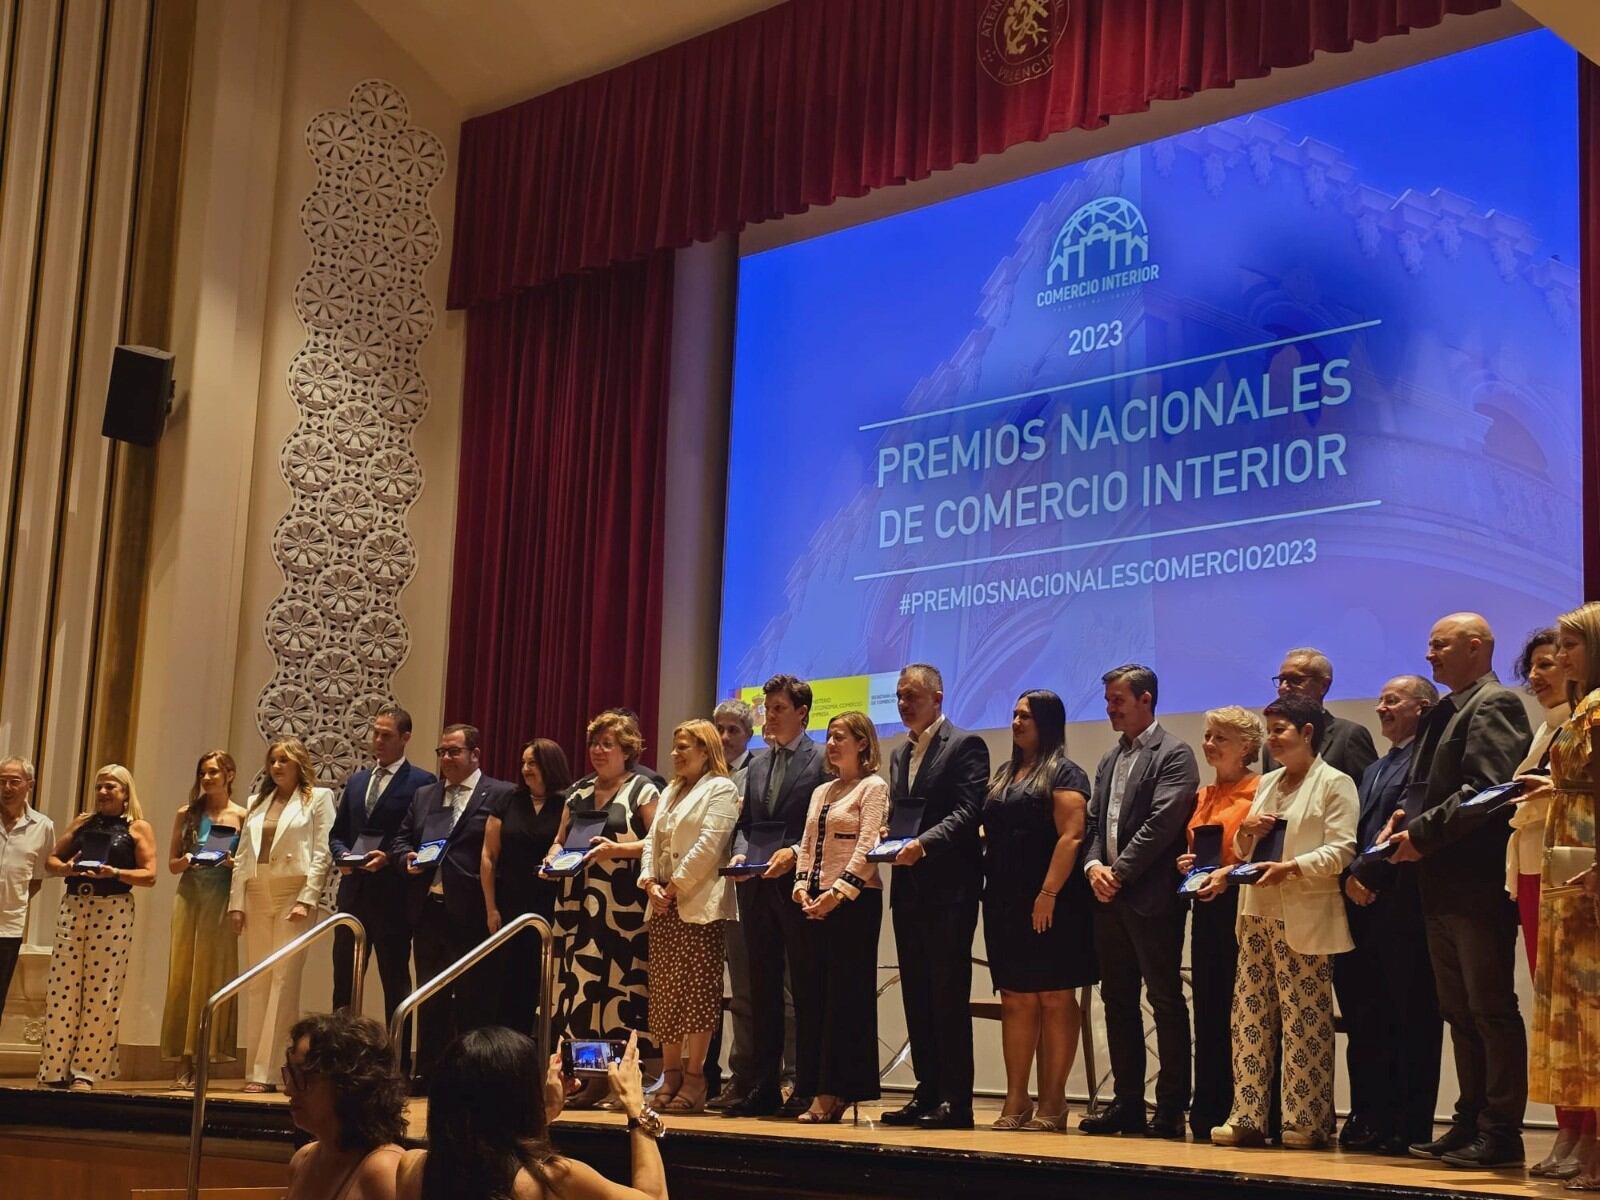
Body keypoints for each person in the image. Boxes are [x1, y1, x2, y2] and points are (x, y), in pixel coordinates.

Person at [1385, 612, 1533, 1167]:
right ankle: (1469, 1121)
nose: (1430, 655)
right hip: (1440, 884)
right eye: (1429, 645)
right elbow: (1437, 788)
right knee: (1460, 1010)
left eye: (1440, 645)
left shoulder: (1495, 703)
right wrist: (1406, 816)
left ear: (1476, 647)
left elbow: (1487, 791)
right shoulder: (1449, 708)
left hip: (1474, 883)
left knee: (1491, 1009)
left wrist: (1420, 834)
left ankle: (1501, 1133)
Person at [1207, 694, 1357, 1149]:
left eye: (1280, 730)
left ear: (1307, 733)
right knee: (1249, 1017)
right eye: (1268, 730)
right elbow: (1252, 850)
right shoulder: (1269, 782)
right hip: (1256, 913)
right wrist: (1248, 837)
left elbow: (1342, 849)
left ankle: (1305, 1121)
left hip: (1304, 914)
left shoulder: (1335, 782)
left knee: (1304, 1021)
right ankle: (1248, 1115)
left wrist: (1292, 867)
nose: (1271, 739)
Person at [1079, 664, 1199, 1139]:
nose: (1110, 709)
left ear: (1145, 700)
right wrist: (1093, 868)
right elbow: (1093, 825)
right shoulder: (1110, 759)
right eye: (1108, 701)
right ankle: (1127, 1102)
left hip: (1150, 898)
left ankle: (1170, 1108)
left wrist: (1119, 873)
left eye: (1118, 701)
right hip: (1108, 898)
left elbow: (1163, 823)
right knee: (1117, 1001)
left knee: (1165, 1000)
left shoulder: (1175, 754)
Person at [1333, 675, 1443, 1156]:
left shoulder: (1427, 760)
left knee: (1410, 1016)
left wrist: (1366, 876)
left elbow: (1402, 823)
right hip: (1360, 907)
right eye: (1378, 699)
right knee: (1366, 1018)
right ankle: (1370, 1115)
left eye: (1392, 700)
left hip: (1402, 905)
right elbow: (1359, 832)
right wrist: (1348, 878)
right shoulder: (1376, 766)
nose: (1380, 708)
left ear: (1423, 708)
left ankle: (1410, 1123)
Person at [880, 663, 989, 1131]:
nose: (904, 704)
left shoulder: (966, 745)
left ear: (938, 698)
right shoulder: (900, 755)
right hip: (908, 892)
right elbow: (904, 815)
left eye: (912, 696)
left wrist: (922, 844)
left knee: (947, 994)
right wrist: (891, 834)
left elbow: (969, 811)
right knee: (918, 997)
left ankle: (956, 1100)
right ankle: (926, 1093)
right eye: (900, 696)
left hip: (950, 890)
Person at [982, 690, 1096, 1133]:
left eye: (1025, 715)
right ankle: (1017, 1097)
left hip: (1053, 901)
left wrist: (1047, 893)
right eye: (1013, 713)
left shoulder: (1066, 771)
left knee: (1054, 997)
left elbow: (1071, 835)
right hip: (1005, 900)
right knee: (1015, 997)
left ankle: (1054, 1101)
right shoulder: (1005, 773)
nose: (1015, 721)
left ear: (1047, 722)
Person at [1507, 629, 1594, 1176]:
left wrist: (1554, 792)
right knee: (1562, 1008)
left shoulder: (1589, 713)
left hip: (1580, 858)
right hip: (1551, 860)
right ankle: (1573, 1129)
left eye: (1563, 651)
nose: (1549, 667)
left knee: (1587, 1006)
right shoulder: (1555, 723)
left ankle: (1591, 1135)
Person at [396, 1027, 668, 1200]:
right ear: (521, 1096)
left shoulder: (411, 1167)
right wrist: (636, 1106)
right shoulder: (556, 1177)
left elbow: (492, 1149)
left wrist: (547, 1111)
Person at [548, 710, 659, 1106]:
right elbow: (560, 840)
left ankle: (620, 1081)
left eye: (607, 744)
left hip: (621, 909)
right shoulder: (577, 791)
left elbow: (658, 844)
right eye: (594, 743)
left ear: (626, 750)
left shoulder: (643, 790)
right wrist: (552, 858)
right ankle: (586, 1078)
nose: (598, 750)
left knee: (618, 993)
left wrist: (617, 850)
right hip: (576, 906)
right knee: (579, 992)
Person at [393, 723, 515, 1084]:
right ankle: (430, 1074)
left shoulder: (500, 793)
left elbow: (505, 852)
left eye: (454, 751)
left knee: (475, 998)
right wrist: (406, 857)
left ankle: (473, 1076)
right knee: (430, 996)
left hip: (474, 911)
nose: (446, 758)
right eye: (442, 752)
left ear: (475, 755)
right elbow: (401, 838)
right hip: (429, 909)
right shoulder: (425, 795)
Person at [724, 674, 824, 1117]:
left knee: (803, 987)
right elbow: (746, 827)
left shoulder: (821, 759)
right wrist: (744, 856)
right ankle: (763, 1085)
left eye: (779, 708)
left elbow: (819, 827)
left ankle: (805, 1084)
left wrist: (791, 856)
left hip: (801, 886)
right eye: (767, 708)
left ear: (801, 712)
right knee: (760, 988)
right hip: (759, 887)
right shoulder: (756, 765)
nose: (770, 716)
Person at [789, 711, 887, 1123]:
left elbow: (867, 847)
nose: (830, 744)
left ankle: (835, 1091)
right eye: (828, 737)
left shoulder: (873, 787)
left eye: (840, 737)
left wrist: (837, 894)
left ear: (862, 743)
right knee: (812, 999)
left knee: (844, 1001)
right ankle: (812, 1086)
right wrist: (800, 884)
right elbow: (808, 843)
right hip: (813, 903)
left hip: (854, 904)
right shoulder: (822, 791)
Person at [640, 719, 739, 1113]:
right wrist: (650, 882)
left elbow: (709, 844)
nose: (675, 754)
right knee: (665, 994)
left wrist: (674, 886)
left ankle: (696, 1078)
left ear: (705, 750)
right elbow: (652, 842)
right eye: (675, 747)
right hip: (662, 902)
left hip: (697, 903)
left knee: (696, 993)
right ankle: (671, 1074)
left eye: (684, 747)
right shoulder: (670, 790)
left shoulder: (722, 789)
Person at [37, 764, 157, 1089]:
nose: (103, 793)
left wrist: (115, 873)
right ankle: (54, 1069)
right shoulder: (83, 822)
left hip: (113, 909)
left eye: (111, 788)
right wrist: (68, 868)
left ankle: (85, 1071)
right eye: (100, 787)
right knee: (63, 988)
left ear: (125, 793)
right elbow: (51, 860)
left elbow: (150, 875)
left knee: (101, 991)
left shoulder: (137, 828)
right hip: (75, 903)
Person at [229, 738, 338, 1092]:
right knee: (258, 982)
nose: (276, 767)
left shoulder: (317, 799)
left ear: (299, 764)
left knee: (283, 981)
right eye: (273, 761)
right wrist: (236, 903)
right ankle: (254, 1070)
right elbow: (244, 855)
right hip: (258, 891)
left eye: (284, 761)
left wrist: (308, 897)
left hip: (293, 892)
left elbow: (322, 853)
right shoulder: (256, 802)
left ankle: (272, 1071)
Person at [1177, 706, 1264, 1141]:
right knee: (1209, 1008)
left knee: (1243, 1010)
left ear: (1247, 746)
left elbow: (1258, 853)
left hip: (1241, 906)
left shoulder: (1260, 790)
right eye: (1207, 735)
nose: (1208, 744)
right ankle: (1208, 1105)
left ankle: (1244, 1105)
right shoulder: (1204, 795)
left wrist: (1224, 872)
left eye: (1219, 738)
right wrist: (1188, 864)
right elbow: (1199, 849)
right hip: (1206, 909)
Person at [330, 706, 436, 1026]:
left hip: (394, 898)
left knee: (395, 984)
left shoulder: (421, 782)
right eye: (375, 733)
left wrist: (388, 858)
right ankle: (339, 1059)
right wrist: (342, 856)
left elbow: (420, 838)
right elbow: (337, 833)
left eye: (386, 735)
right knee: (344, 985)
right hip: (353, 895)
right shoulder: (358, 781)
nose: (377, 740)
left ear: (405, 738)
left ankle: (398, 1063)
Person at [161, 750, 248, 1087]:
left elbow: (246, 862)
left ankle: (207, 1055)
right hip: (191, 892)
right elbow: (171, 864)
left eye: (213, 772)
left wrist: (228, 862)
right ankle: (183, 1057)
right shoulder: (188, 813)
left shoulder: (243, 813)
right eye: (203, 773)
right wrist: (186, 859)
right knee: (184, 971)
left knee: (214, 972)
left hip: (222, 893)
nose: (207, 778)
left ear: (229, 774)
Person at [481, 738, 571, 1035]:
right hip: (508, 906)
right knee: (504, 986)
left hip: (550, 907)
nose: (525, 769)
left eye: (532, 763)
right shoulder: (507, 800)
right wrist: (491, 907)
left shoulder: (567, 803)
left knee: (541, 984)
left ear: (549, 765)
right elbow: (488, 856)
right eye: (523, 763)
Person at [282, 1012, 406, 1200]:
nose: (288, 1090)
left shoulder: (383, 1170)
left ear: (349, 1084)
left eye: (303, 1077)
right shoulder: (302, 1160)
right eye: (290, 1074)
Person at [705, 697, 756, 1110]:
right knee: (704, 991)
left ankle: (748, 1075)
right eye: (718, 729)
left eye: (733, 730)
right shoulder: (701, 778)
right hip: (701, 894)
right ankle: (704, 1077)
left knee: (746, 991)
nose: (724, 738)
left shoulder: (756, 772)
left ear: (748, 735)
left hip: (741, 892)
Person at [1262, 648, 1378, 783]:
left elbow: (1367, 795)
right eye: (1281, 680)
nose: (1283, 687)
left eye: (1295, 680)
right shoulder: (1271, 746)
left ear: (1323, 685)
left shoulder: (1348, 735)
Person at [0, 756, 53, 1021]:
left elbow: (37, 878)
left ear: (29, 785)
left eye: (14, 781)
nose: (7, 788)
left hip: (8, 926)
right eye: (1, 781)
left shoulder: (43, 827)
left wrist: (14, 900)